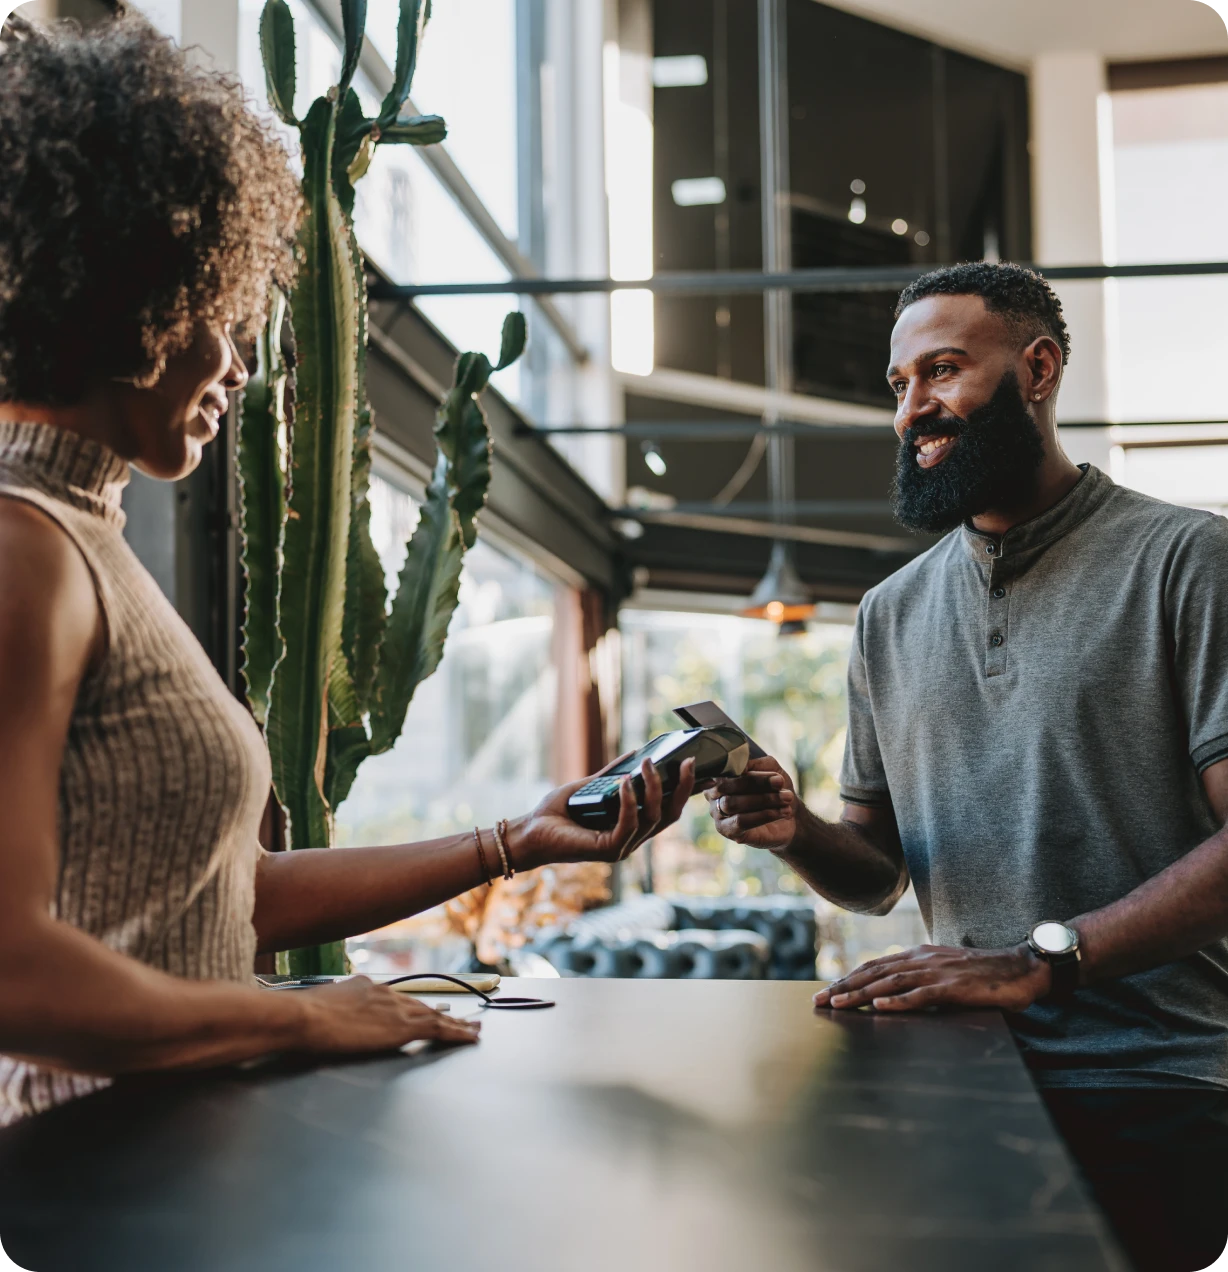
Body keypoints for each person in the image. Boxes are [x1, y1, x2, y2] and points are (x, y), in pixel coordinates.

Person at [0, 11, 695, 1125]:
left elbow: (227, 903)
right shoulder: (21, 547)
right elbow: (10, 975)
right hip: (87, 1183)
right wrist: (307, 1016)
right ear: (125, 291)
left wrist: (511, 840)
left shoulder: (87, 539)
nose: (233, 361)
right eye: (216, 313)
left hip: (176, 1166)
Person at [708, 261, 1228, 1271]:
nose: (914, 409)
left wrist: (1044, 960)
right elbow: (876, 870)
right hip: (961, 1076)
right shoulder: (889, 614)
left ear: (1037, 368)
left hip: (1160, 1083)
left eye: (941, 371)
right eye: (898, 386)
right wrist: (797, 830)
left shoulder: (1186, 562)